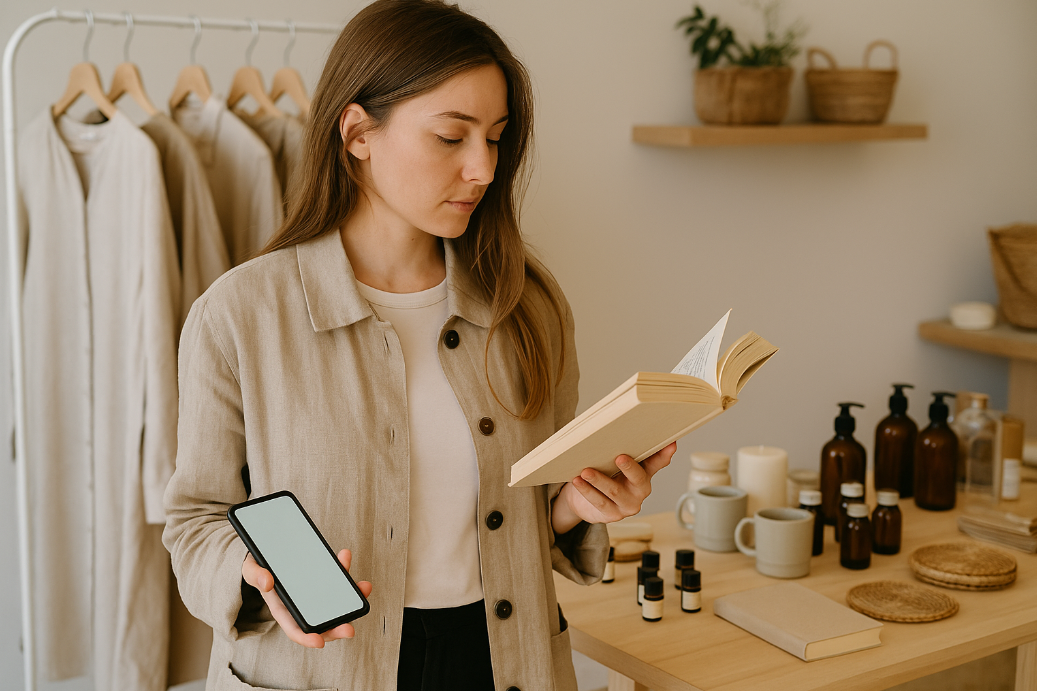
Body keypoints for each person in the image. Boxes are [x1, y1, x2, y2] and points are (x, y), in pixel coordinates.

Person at [162, 1, 676, 689]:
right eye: (450, 137)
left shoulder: (527, 304)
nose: (482, 168)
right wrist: (254, 575)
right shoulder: (239, 315)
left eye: (495, 138)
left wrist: (577, 506)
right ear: (357, 134)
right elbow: (195, 519)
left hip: (500, 658)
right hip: (320, 667)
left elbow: (532, 507)